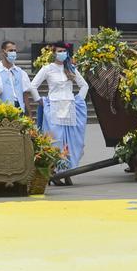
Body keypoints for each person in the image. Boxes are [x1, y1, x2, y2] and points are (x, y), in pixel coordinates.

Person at [31, 41, 88, 185]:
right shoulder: (47, 69)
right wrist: (40, 101)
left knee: (70, 141)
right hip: (54, 108)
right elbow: (32, 86)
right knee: (57, 141)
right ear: (54, 53)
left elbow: (84, 85)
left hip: (69, 107)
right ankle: (54, 172)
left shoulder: (71, 68)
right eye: (59, 51)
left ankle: (67, 172)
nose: (62, 53)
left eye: (64, 51)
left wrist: (79, 99)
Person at [0, 40, 37, 113]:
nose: (13, 53)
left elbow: (25, 95)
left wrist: (29, 114)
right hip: (4, 111)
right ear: (3, 52)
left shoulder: (21, 72)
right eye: (10, 50)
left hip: (20, 109)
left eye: (15, 50)